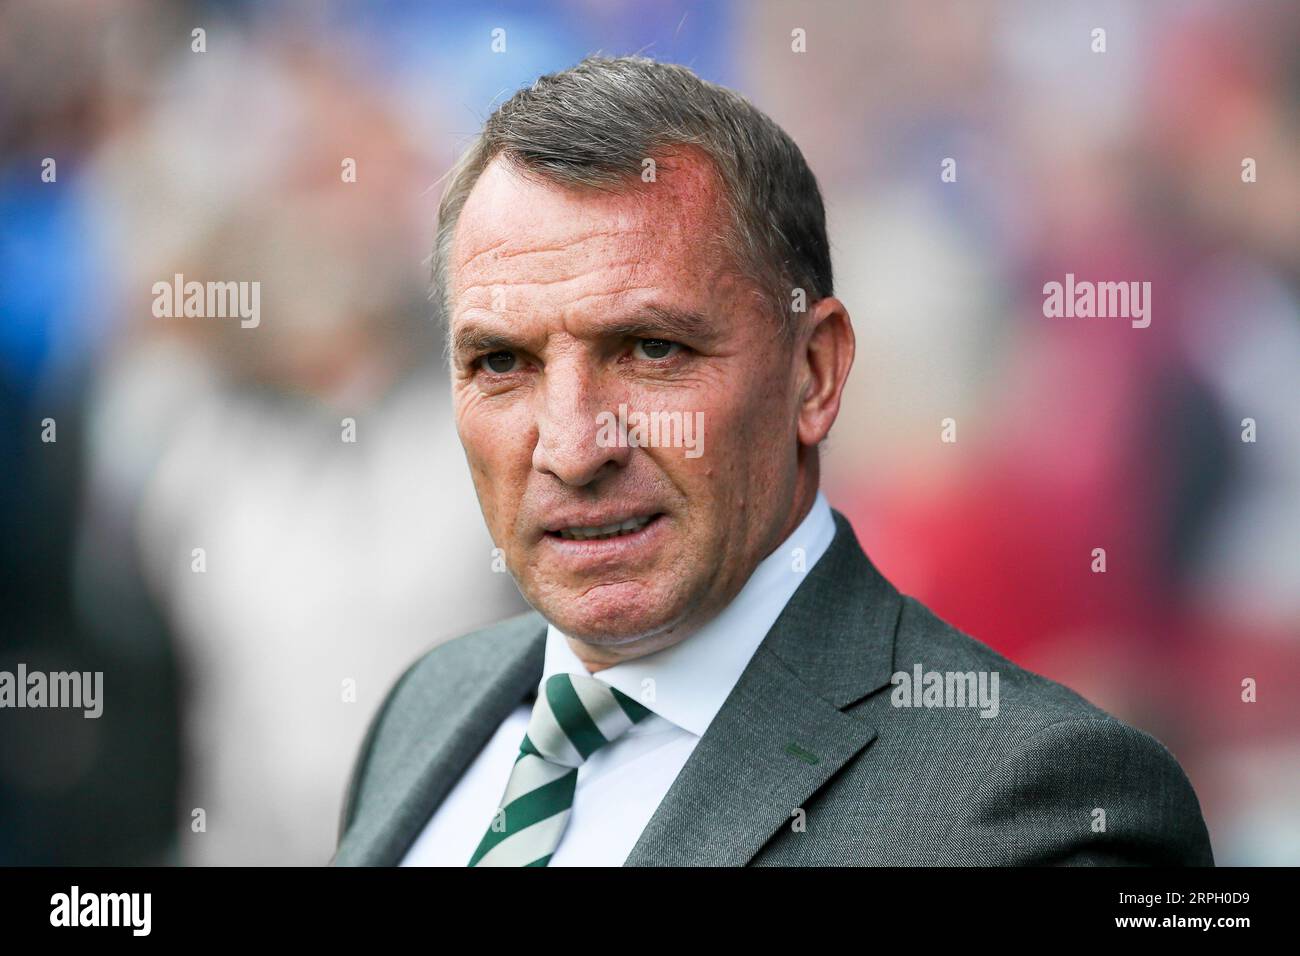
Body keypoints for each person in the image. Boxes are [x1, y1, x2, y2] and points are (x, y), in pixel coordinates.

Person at [331, 55, 1213, 867]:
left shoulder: (1041, 809)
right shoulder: (427, 711)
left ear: (815, 372)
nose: (570, 447)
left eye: (651, 349)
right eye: (500, 363)